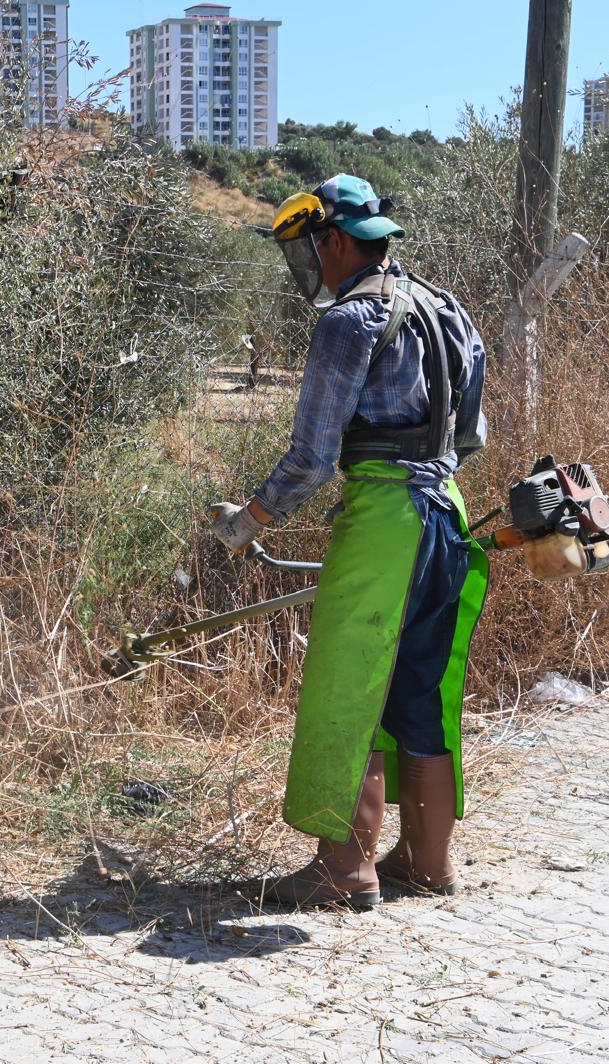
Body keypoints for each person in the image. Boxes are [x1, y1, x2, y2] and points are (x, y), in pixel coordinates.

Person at [209, 174, 490, 910]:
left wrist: (248, 522)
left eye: (310, 252)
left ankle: (344, 870)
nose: (311, 269)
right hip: (448, 516)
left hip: (386, 519)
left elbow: (310, 457)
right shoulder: (447, 308)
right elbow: (471, 435)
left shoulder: (349, 319)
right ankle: (425, 866)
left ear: (334, 240)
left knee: (348, 684)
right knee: (423, 689)